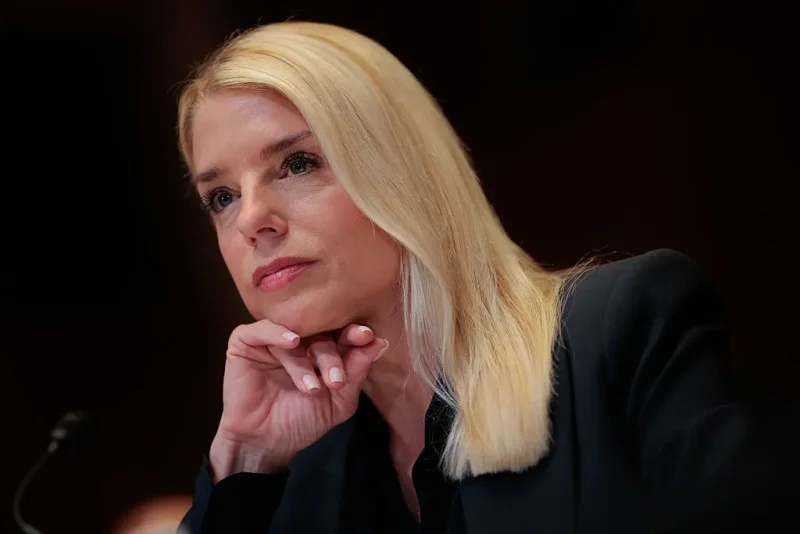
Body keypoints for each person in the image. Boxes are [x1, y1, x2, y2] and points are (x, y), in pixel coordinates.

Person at [175, 21, 796, 534]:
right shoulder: (286, 480)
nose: (252, 219)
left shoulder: (619, 330)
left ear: (404, 172)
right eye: (222, 197)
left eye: (297, 163)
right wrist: (244, 459)